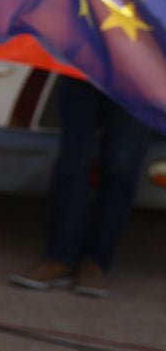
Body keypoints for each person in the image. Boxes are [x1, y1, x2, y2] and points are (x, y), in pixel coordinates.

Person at [10, 80, 150, 297]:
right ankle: (58, 258)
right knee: (73, 161)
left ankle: (96, 263)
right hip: (84, 70)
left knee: (121, 166)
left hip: (140, 77)